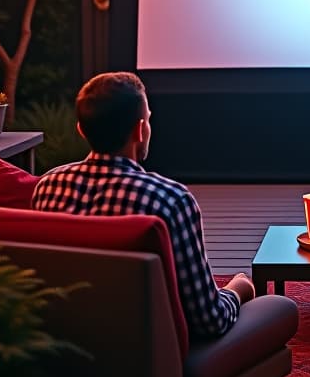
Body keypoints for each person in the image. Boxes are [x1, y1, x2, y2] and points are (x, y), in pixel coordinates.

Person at [32, 71, 255, 341]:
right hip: (148, 355)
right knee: (276, 306)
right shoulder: (171, 200)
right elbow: (209, 322)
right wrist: (238, 289)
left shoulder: (47, 186)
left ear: (81, 129)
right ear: (140, 129)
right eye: (148, 119)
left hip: (67, 346)